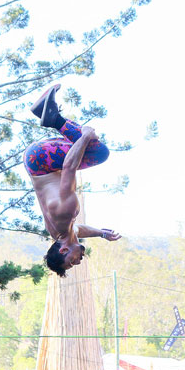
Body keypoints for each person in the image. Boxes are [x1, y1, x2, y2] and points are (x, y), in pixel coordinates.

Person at [25, 84, 121, 277]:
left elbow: (70, 166)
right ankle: (47, 114)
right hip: (36, 162)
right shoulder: (60, 233)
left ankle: (53, 117)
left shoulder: (65, 213)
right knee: (89, 148)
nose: (77, 262)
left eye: (71, 262)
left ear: (63, 250)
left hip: (42, 158)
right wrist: (102, 233)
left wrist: (85, 136)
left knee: (98, 152)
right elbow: (79, 230)